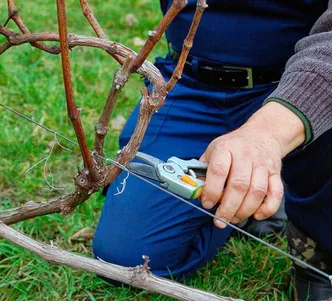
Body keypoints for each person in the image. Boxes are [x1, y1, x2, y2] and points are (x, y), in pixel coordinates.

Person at [93, 1, 332, 300]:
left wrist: (265, 135)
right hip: (189, 84)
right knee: (123, 255)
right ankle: (245, 196)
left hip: (302, 84)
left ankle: (317, 258)